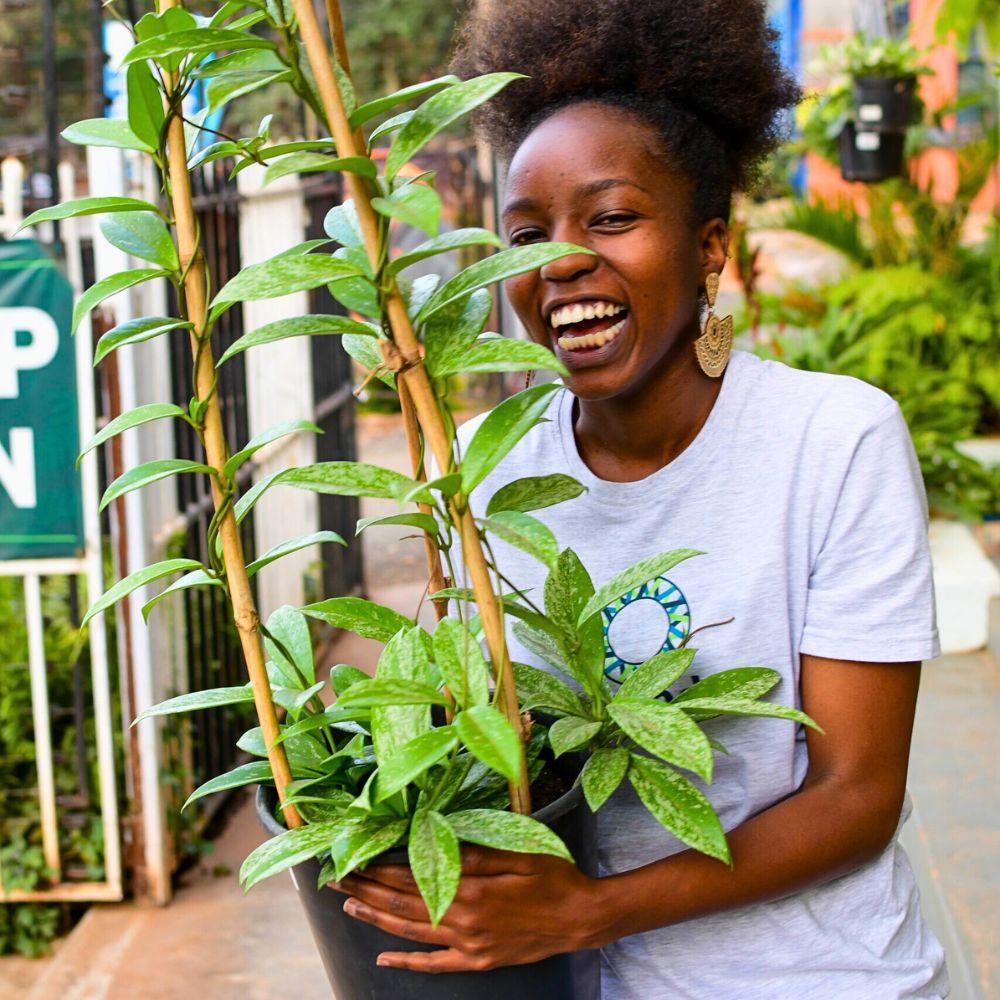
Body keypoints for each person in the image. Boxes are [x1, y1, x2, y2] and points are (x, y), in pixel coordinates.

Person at [331, 1, 949, 996]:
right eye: (526, 234)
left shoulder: (832, 440)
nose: (562, 261)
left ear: (711, 245)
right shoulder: (491, 468)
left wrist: (590, 908)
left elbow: (858, 794)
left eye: (611, 216)